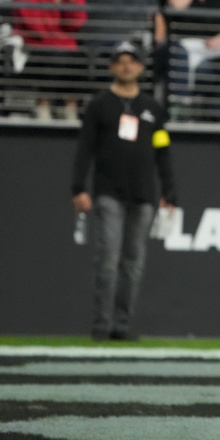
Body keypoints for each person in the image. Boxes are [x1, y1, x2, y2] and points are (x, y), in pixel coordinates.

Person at [71, 41, 177, 342]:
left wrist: (169, 191)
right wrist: (79, 186)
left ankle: (122, 325)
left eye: (132, 61)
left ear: (141, 67)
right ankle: (101, 325)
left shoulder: (152, 109)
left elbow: (163, 152)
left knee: (133, 262)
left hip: (143, 194)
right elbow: (85, 149)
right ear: (112, 67)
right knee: (107, 258)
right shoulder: (100, 105)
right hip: (109, 192)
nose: (126, 66)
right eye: (120, 61)